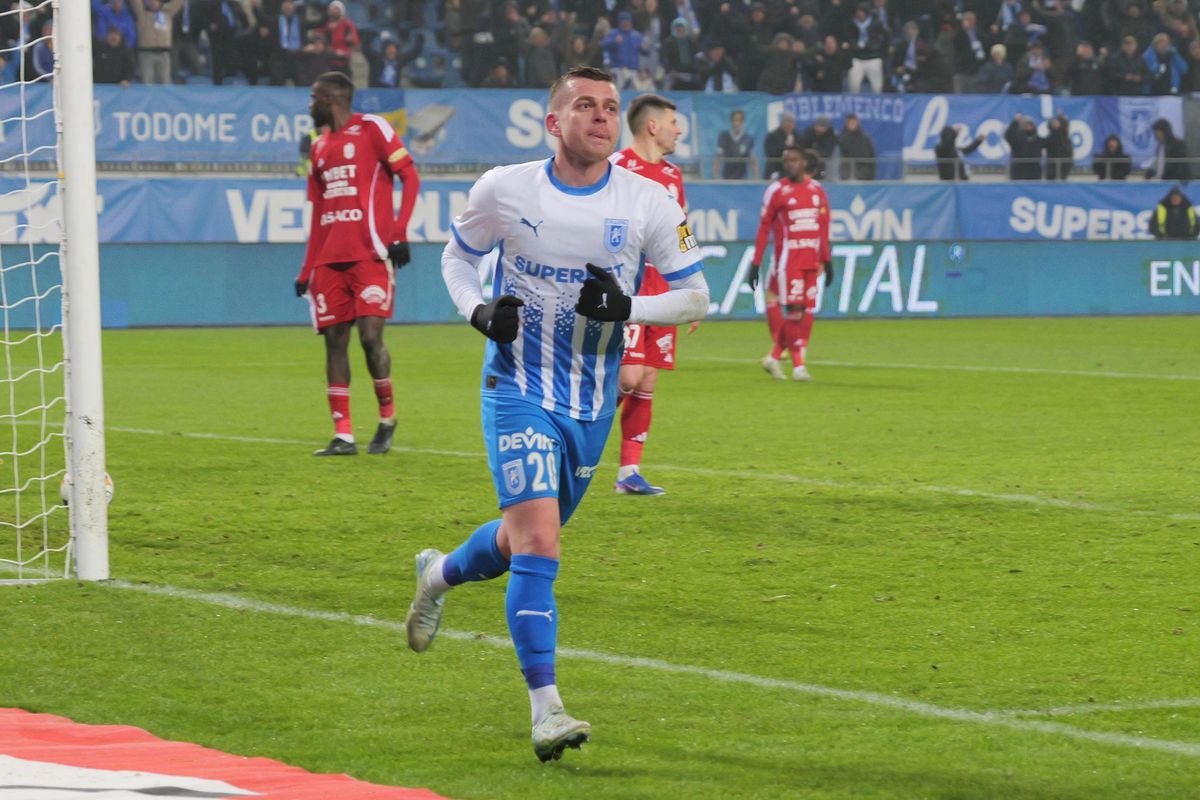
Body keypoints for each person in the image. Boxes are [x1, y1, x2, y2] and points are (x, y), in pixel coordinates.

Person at [407, 66, 709, 762]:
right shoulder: (504, 189)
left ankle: (439, 573)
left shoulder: (651, 200)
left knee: (522, 540)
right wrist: (478, 311)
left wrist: (626, 307)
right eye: (584, 106)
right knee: (541, 542)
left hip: (591, 404)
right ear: (553, 123)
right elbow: (457, 258)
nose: (601, 116)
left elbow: (697, 298)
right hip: (515, 387)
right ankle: (547, 711)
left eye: (609, 107)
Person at [293, 72, 421, 456]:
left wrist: (398, 232)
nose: (310, 105)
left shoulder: (372, 128)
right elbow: (318, 215)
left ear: (331, 97)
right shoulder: (318, 147)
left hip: (371, 253)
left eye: (314, 97)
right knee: (335, 343)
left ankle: (386, 419)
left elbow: (410, 177)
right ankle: (343, 434)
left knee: (370, 338)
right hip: (330, 260)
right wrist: (306, 269)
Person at [609, 94, 693, 496]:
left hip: (664, 290)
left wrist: (692, 290)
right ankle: (573, 442)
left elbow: (682, 233)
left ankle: (628, 473)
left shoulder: (674, 176)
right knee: (626, 376)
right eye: (674, 122)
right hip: (627, 288)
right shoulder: (618, 168)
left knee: (648, 379)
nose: (679, 130)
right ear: (652, 126)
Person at [749, 146, 833, 382]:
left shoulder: (817, 191)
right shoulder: (778, 190)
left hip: (812, 260)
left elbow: (823, 229)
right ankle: (798, 366)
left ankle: (774, 357)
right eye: (786, 161)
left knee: (803, 309)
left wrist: (827, 260)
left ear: (805, 162)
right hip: (789, 259)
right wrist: (756, 262)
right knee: (794, 310)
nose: (790, 164)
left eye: (794, 160)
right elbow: (765, 227)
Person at [128, 0, 182, 85]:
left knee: (165, 82)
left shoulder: (167, 13)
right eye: (150, 1)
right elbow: (135, 2)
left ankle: (164, 98)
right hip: (146, 53)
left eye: (155, 1)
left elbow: (178, 2)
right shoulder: (142, 13)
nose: (153, 3)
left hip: (164, 53)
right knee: (147, 82)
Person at [714, 109, 756, 179]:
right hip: (727, 178)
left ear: (743, 122)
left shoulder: (748, 138)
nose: (737, 123)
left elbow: (753, 160)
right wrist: (715, 175)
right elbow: (718, 157)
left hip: (742, 178)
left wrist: (756, 177)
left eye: (739, 120)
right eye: (735, 120)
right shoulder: (724, 136)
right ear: (731, 121)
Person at [837, 113, 876, 181]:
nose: (852, 124)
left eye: (854, 121)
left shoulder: (865, 138)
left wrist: (871, 174)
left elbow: (871, 156)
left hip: (864, 176)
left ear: (858, 122)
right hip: (847, 175)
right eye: (850, 122)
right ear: (846, 123)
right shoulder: (841, 137)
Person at [1005, 114, 1044, 180]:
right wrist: (1015, 122)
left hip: (1034, 170)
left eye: (1030, 125)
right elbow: (1008, 135)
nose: (1028, 127)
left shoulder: (1038, 139)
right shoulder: (1017, 138)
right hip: (1019, 170)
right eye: (1026, 125)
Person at [762, 112, 798, 179]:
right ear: (782, 123)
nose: (789, 125)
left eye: (791, 122)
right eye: (787, 122)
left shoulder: (797, 135)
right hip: (775, 170)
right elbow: (770, 153)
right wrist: (784, 145)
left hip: (792, 172)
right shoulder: (772, 135)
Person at [1044, 112, 1072, 181]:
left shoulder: (1064, 137)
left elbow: (1065, 126)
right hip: (1052, 164)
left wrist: (1061, 118)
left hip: (1063, 163)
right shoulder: (1050, 136)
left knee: (1062, 180)